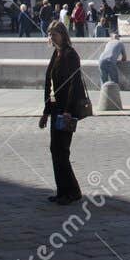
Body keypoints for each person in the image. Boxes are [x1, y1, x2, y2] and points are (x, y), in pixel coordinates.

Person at [40, 20, 88, 205]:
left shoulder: (70, 54)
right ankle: (62, 191)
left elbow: (73, 85)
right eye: (50, 34)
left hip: (66, 109)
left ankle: (73, 191)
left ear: (63, 34)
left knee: (62, 150)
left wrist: (68, 111)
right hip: (55, 108)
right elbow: (49, 83)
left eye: (54, 34)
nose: (51, 37)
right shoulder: (56, 53)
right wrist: (46, 111)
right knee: (55, 149)